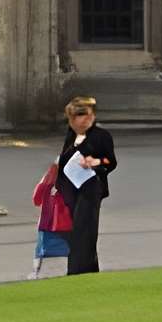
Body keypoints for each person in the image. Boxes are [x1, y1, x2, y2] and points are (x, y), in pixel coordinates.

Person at [54, 95, 118, 275]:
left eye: (89, 115)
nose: (86, 119)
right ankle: (82, 269)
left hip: (90, 189)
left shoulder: (101, 136)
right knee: (72, 232)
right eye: (81, 115)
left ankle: (80, 271)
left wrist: (96, 162)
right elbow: (65, 159)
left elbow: (110, 161)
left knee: (84, 231)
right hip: (70, 189)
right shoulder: (71, 136)